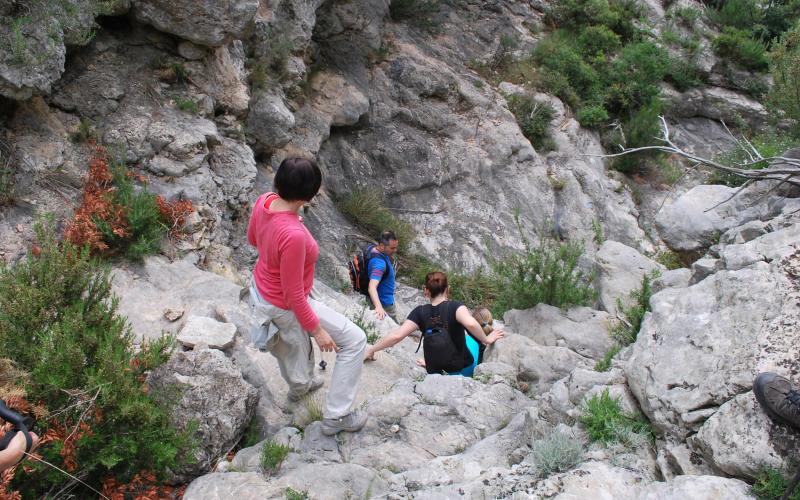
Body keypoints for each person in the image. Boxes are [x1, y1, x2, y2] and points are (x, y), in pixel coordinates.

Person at [247, 157, 368, 436]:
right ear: (310, 194)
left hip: (263, 287)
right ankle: (336, 417)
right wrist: (318, 330)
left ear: (278, 181)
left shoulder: (265, 201)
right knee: (355, 340)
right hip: (285, 300)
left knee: (292, 351)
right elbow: (293, 296)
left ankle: (300, 387)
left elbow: (254, 239)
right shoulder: (293, 235)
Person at [364, 271, 504, 376]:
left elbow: (396, 336)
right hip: (461, 369)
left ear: (426, 291)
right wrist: (486, 339)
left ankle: (432, 364)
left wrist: (372, 349)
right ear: (447, 289)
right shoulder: (455, 307)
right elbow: (472, 324)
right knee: (469, 340)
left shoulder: (420, 312)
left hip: (435, 371)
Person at [367, 231, 399, 322]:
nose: (395, 250)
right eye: (392, 248)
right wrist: (379, 307)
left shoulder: (372, 249)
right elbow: (372, 287)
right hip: (384, 303)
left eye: (396, 247)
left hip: (373, 298)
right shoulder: (379, 264)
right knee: (395, 330)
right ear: (381, 246)